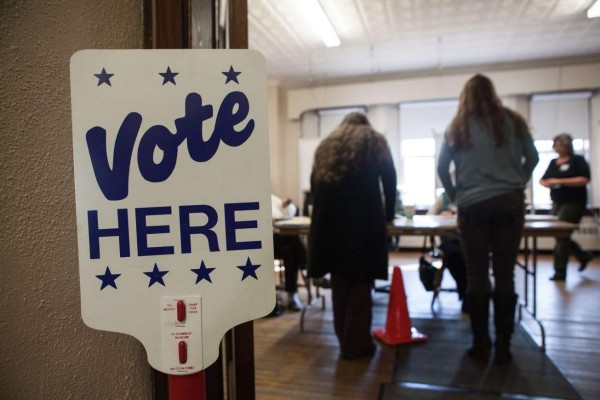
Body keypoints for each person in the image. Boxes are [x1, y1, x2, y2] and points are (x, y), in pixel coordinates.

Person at [437, 74, 539, 365]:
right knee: (505, 273)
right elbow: (533, 157)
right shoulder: (514, 121)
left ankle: (480, 344)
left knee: (477, 275)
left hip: (472, 207)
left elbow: (442, 166)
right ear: (493, 93)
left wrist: (456, 195)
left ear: (465, 96)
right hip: (509, 203)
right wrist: (518, 181)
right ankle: (504, 347)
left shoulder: (457, 126)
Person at [308, 112, 397, 360]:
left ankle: (344, 340)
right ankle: (356, 345)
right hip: (364, 219)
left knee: (340, 283)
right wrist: (389, 215)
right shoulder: (374, 141)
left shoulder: (327, 144)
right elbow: (390, 179)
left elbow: (314, 184)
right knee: (361, 282)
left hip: (331, 222)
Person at [540, 133, 593, 281]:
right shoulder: (553, 162)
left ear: (567, 146)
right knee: (558, 233)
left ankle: (560, 271)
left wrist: (560, 181)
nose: (556, 147)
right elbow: (543, 180)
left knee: (562, 234)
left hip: (574, 202)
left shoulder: (578, 160)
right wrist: (548, 183)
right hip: (557, 202)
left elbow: (584, 179)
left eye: (559, 144)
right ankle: (583, 255)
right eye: (555, 144)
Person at [427, 191, 468, 312]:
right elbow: (429, 215)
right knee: (453, 254)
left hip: (468, 238)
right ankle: (465, 291)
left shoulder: (471, 192)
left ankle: (466, 292)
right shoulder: (444, 197)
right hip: (449, 240)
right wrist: (440, 216)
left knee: (466, 254)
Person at [272, 194, 306, 311]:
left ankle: (292, 295)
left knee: (290, 252)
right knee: (293, 237)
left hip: (281, 241)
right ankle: (308, 267)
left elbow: (290, 212)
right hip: (265, 242)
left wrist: (286, 206)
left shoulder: (273, 198)